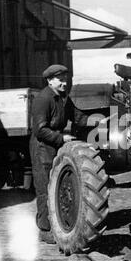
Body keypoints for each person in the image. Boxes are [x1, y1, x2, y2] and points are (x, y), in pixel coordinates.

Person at [30, 64, 89, 244]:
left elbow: (78, 118)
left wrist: (99, 120)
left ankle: (55, 223)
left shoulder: (63, 98)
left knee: (56, 187)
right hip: (42, 148)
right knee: (45, 187)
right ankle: (44, 229)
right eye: (61, 80)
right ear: (50, 80)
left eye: (66, 79)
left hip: (55, 145)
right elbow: (40, 130)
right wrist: (61, 139)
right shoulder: (43, 99)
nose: (65, 83)